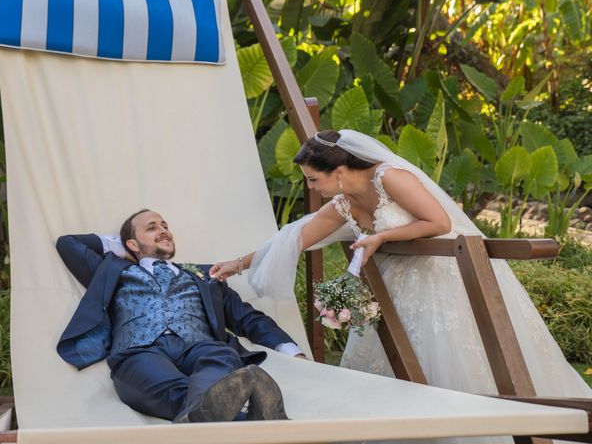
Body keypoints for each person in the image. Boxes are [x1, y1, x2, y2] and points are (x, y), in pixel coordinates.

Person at [211, 130, 592, 439]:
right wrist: (237, 264)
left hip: (443, 280)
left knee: (450, 359)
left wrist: (381, 238)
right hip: (393, 295)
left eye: (315, 179)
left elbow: (439, 222)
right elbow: (296, 237)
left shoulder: (388, 176)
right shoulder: (343, 202)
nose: (313, 188)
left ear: (339, 169)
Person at [56, 209, 305, 424]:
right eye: (151, 228)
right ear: (131, 244)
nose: (164, 230)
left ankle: (208, 416)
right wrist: (123, 247)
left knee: (222, 355)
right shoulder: (112, 270)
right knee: (173, 386)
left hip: (200, 347)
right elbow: (68, 244)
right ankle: (247, 418)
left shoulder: (207, 275)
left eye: (165, 226)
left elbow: (247, 318)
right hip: (140, 352)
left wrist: (292, 351)